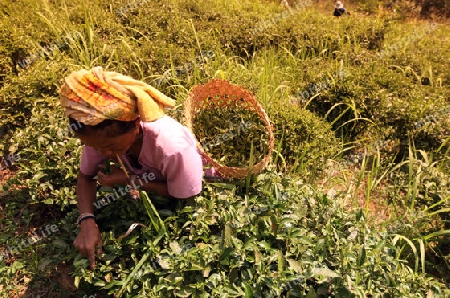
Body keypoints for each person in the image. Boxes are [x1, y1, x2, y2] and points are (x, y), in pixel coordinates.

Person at [60, 66, 207, 269]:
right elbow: (85, 177)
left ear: (136, 124)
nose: (103, 154)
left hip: (192, 180)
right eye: (94, 146)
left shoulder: (172, 148)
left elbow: (185, 197)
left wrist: (131, 181)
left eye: (111, 147)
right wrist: (87, 221)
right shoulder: (99, 136)